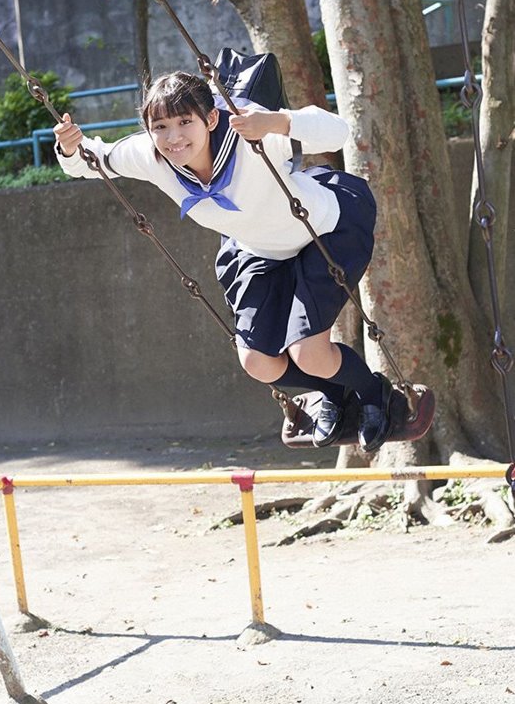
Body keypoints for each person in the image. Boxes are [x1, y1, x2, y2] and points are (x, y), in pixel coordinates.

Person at [53, 70, 393, 452]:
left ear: (210, 118)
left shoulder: (249, 132)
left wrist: (276, 121)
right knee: (258, 363)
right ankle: (334, 394)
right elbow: (92, 160)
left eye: (185, 122)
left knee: (308, 352)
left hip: (323, 231)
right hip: (259, 250)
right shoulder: (151, 155)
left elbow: (337, 132)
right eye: (160, 126)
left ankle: (372, 392)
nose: (174, 137)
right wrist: (69, 147)